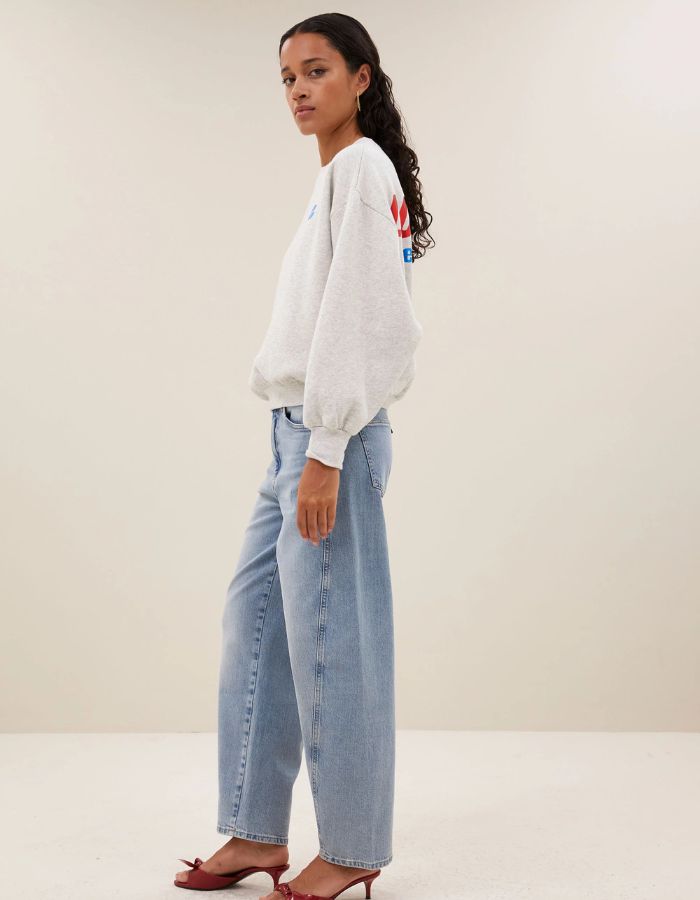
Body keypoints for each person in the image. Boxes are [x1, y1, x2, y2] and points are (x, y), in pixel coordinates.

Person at [174, 12, 434, 900]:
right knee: (257, 626)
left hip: (329, 440)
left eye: (317, 71)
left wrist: (325, 447)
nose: (298, 90)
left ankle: (354, 844)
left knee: (335, 645)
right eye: (287, 77)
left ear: (361, 78)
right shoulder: (340, 178)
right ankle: (255, 831)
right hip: (293, 436)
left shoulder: (360, 168)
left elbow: (367, 320)